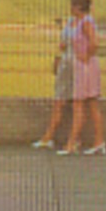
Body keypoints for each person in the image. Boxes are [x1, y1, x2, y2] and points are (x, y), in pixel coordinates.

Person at [58, 0, 105, 156]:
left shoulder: (85, 22)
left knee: (80, 104)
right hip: (83, 66)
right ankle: (98, 142)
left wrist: (86, 56)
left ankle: (72, 143)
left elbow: (94, 42)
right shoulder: (78, 21)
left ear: (77, 6)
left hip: (85, 67)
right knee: (91, 104)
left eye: (72, 4)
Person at [32, 12, 75, 150]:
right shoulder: (74, 22)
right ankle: (66, 138)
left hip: (71, 65)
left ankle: (51, 137)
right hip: (68, 64)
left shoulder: (82, 23)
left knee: (65, 102)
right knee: (69, 102)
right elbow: (62, 46)